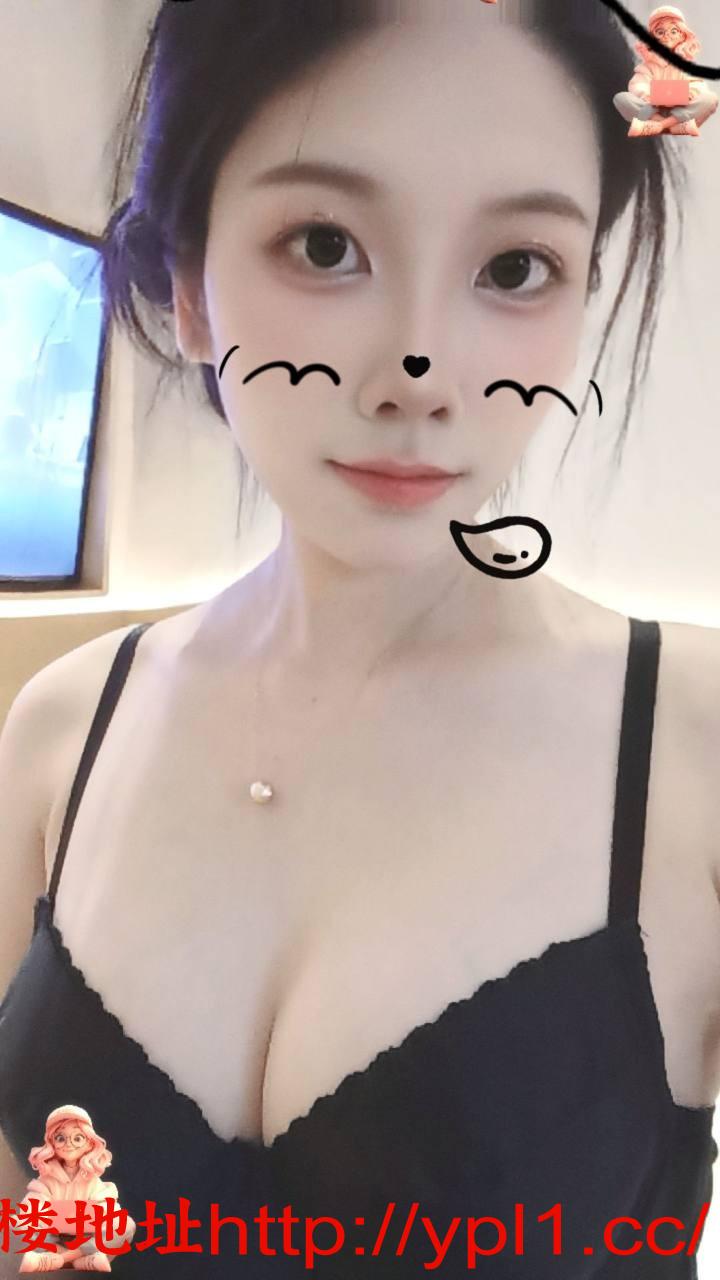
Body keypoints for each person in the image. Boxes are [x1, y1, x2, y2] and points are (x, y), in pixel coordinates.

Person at [1, 1, 719, 1277]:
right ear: (191, 285)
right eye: (324, 244)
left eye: (516, 268)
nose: (421, 371)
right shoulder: (61, 730)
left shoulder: (694, 744)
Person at [11, 1105, 135, 1273]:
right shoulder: (47, 1177)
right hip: (53, 1237)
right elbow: (32, 1207)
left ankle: (62, 1260)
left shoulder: (92, 1178)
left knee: (126, 1225)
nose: (69, 1144)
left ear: (89, 1144)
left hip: (86, 1238)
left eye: (77, 1138)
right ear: (52, 1143)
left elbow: (107, 1210)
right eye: (60, 1138)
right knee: (18, 1222)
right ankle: (79, 1260)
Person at [613, 4, 719, 136]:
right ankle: (672, 126)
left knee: (710, 98)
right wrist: (648, 96)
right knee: (621, 98)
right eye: (660, 32)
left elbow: (698, 85)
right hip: (652, 108)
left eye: (673, 31)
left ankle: (660, 125)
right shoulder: (647, 66)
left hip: (680, 110)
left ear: (682, 36)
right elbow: (638, 85)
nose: (667, 36)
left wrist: (689, 93)